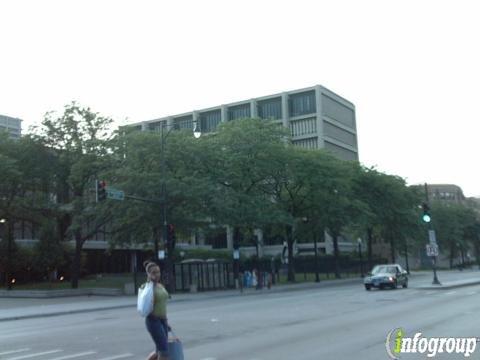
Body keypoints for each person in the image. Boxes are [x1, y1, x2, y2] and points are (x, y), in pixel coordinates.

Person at [142, 260, 171, 360]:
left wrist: (166, 322)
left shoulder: (160, 285)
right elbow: (146, 307)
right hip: (153, 321)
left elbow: (163, 305)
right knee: (164, 352)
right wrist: (151, 283)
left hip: (163, 321)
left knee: (159, 351)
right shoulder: (148, 288)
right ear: (148, 274)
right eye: (154, 272)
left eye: (158, 272)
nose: (157, 274)